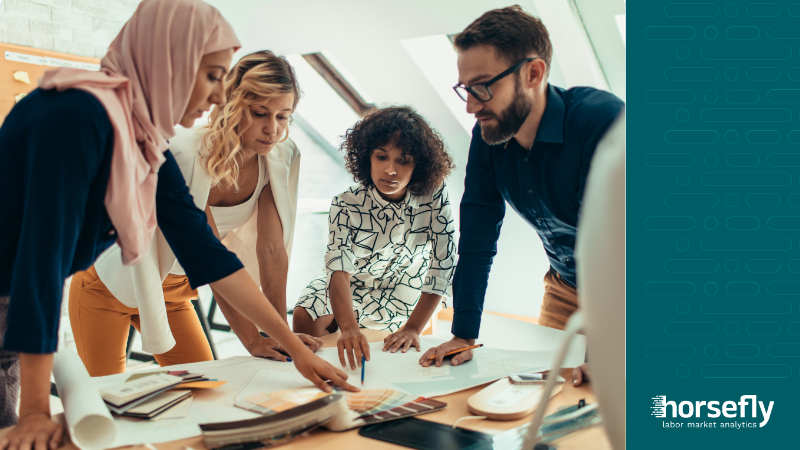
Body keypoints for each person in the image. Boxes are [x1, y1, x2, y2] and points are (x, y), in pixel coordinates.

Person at [0, 1, 354, 448]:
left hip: (14, 304)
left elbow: (207, 252)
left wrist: (294, 348)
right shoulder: (76, 116)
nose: (220, 98)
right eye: (211, 76)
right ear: (166, 62)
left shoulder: (145, 141)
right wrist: (35, 409)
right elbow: (40, 259)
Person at [68, 50, 317, 376]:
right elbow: (211, 258)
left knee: (204, 389)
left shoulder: (280, 156)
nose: (272, 129)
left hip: (173, 291)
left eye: (283, 116)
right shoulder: (186, 152)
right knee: (106, 402)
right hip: (107, 285)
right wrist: (260, 340)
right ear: (232, 104)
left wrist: (273, 333)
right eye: (259, 113)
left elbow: (271, 250)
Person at [419, 6, 624, 386]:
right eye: (465, 89)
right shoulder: (488, 138)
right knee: (544, 398)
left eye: (482, 87)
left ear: (533, 73)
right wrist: (464, 334)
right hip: (564, 286)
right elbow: (477, 240)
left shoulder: (601, 121)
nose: (470, 105)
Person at [293, 106, 456, 370]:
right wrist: (347, 328)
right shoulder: (345, 204)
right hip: (354, 282)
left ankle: (371, 371)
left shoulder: (434, 195)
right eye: (382, 157)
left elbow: (443, 262)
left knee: (390, 342)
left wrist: (414, 328)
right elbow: (339, 270)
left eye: (403, 161)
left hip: (406, 285)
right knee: (304, 317)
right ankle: (329, 376)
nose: (390, 170)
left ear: (419, 164)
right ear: (367, 156)